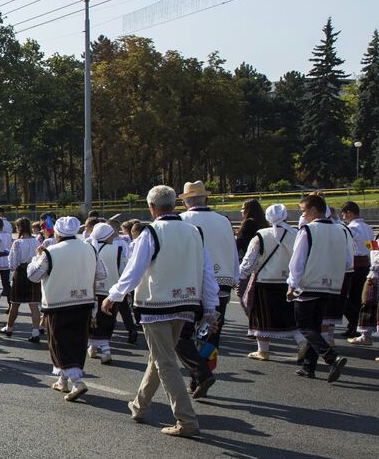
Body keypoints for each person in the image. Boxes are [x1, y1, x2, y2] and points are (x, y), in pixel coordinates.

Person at [103, 185, 220, 438]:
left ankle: (186, 419)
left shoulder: (151, 233)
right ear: (174, 205)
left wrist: (114, 296)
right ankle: (140, 405)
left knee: (165, 362)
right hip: (187, 303)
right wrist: (211, 307)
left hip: (156, 304)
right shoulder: (194, 232)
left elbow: (134, 271)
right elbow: (207, 272)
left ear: (151, 207)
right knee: (158, 359)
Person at [28, 216, 107, 401]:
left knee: (59, 343)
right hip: (84, 302)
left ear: (57, 232)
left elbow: (33, 275)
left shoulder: (50, 252)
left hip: (58, 304)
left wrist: (37, 256)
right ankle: (63, 381)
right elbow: (102, 274)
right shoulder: (90, 248)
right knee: (78, 341)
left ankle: (77, 381)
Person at [180, 180, 238, 398]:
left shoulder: (182, 220)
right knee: (211, 332)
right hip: (221, 282)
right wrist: (234, 276)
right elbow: (232, 250)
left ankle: (198, 373)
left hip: (192, 283)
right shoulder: (223, 220)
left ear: (186, 201)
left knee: (186, 332)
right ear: (205, 198)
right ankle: (204, 367)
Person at [288, 194, 350, 382]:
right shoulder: (342, 230)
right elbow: (348, 261)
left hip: (309, 283)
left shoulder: (308, 230)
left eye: (304, 211)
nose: (303, 215)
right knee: (315, 326)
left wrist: (292, 283)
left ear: (314, 210)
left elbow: (297, 261)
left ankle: (331, 357)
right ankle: (309, 367)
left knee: (305, 325)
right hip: (332, 285)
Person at [237, 203, 300, 361]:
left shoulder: (261, 235)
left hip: (264, 281)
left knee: (261, 317)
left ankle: (263, 351)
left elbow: (248, 261)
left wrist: (239, 276)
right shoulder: (295, 234)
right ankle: (302, 342)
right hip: (287, 282)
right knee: (289, 316)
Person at [88, 222, 127, 365]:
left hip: (92, 291)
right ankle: (105, 350)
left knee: (93, 320)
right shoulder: (117, 250)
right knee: (107, 320)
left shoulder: (89, 248)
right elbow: (123, 271)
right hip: (111, 292)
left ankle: (94, 347)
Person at [1, 217, 43, 342]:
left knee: (15, 303)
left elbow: (13, 264)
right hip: (34, 272)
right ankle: (35, 332)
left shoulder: (17, 243)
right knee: (34, 304)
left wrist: (14, 268)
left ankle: (9, 328)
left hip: (21, 273)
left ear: (19, 228)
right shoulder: (37, 242)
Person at [341, 201, 374, 342]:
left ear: (349, 213)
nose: (343, 216)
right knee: (356, 297)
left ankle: (355, 321)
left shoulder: (351, 228)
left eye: (344, 213)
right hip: (365, 263)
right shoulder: (368, 228)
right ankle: (354, 326)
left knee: (342, 297)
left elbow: (347, 248)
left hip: (353, 264)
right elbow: (373, 247)